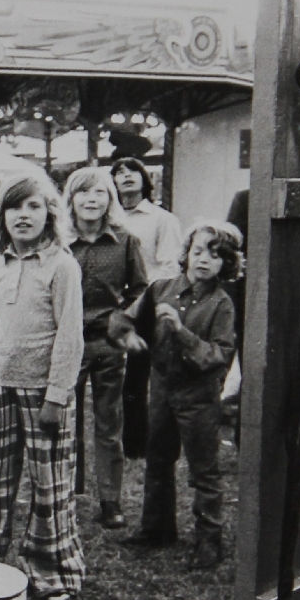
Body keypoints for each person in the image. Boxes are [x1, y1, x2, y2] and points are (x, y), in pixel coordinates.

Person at [0, 173, 85, 600]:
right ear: (1, 216)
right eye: (15, 207)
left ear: (50, 214)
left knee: (49, 484)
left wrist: (56, 395)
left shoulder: (62, 266)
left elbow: (70, 337)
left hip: (43, 393)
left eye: (33, 206)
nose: (24, 215)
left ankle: (52, 568)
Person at [113, 221, 240, 570]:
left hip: (199, 396)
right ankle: (156, 529)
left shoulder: (222, 305)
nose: (204, 260)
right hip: (161, 389)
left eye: (215, 256)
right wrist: (127, 334)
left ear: (227, 264)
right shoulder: (161, 289)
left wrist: (181, 332)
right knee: (157, 459)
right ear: (186, 254)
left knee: (203, 469)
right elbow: (123, 319)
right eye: (198, 251)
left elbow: (218, 356)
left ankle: (209, 540)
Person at [64, 168, 148, 530]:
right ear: (71, 200)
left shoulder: (126, 241)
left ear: (110, 199)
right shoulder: (59, 241)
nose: (91, 199)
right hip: (67, 343)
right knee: (65, 420)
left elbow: (141, 289)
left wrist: (122, 318)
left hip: (108, 343)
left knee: (109, 421)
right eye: (83, 192)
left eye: (99, 192)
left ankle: (110, 500)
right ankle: (67, 492)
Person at [111, 158, 181, 459]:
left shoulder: (161, 219)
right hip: (111, 306)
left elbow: (169, 266)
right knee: (114, 378)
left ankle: (139, 443)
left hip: (146, 304)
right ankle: (118, 439)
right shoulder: (110, 219)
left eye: (132, 171)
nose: (126, 176)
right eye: (119, 172)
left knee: (140, 377)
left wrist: (140, 300)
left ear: (145, 179)